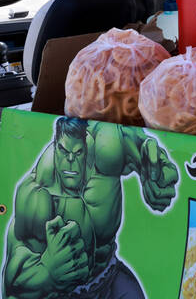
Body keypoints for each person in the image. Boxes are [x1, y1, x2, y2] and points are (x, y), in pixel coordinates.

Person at [4, 116, 178, 299]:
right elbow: (14, 283)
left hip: (109, 277)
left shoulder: (109, 145)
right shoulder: (39, 191)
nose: (70, 160)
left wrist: (155, 173)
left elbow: (147, 148)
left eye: (78, 153)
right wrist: (46, 272)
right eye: (63, 152)